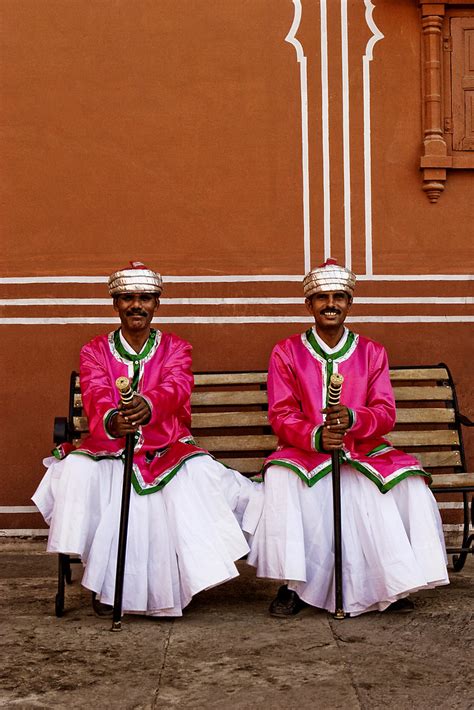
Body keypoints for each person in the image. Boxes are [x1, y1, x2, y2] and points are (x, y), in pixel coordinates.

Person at [33, 261, 262, 617]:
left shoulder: (176, 348)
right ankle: (108, 583)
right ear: (115, 303)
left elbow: (177, 386)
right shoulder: (95, 350)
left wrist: (149, 404)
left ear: (157, 303)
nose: (136, 305)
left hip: (166, 444)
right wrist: (113, 418)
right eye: (127, 298)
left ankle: (164, 582)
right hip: (109, 446)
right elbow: (94, 392)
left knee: (191, 481)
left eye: (144, 298)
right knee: (81, 474)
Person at [248, 258, 449, 617]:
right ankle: (292, 584)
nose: (331, 303)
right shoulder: (286, 351)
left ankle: (390, 581)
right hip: (306, 449)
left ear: (349, 302)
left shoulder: (372, 352)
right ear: (308, 304)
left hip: (363, 448)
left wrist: (354, 419)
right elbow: (280, 413)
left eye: (339, 296)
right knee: (280, 478)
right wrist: (316, 435)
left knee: (406, 486)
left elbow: (386, 412)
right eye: (322, 297)